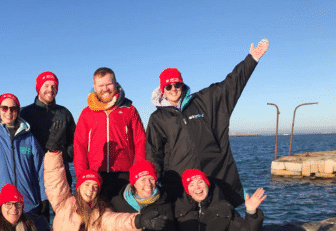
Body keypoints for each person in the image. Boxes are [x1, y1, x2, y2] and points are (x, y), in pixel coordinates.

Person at [145, 39, 270, 207]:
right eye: (168, 87)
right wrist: (154, 186)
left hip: (214, 175)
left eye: (177, 85)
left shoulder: (203, 101)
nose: (173, 89)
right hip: (179, 183)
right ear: (162, 90)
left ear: (182, 85)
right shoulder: (157, 118)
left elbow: (230, 85)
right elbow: (153, 154)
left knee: (219, 219)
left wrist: (251, 59)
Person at [0, 93, 49, 231]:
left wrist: (44, 197)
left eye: (13, 108)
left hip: (27, 204)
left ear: (18, 111)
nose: (9, 112)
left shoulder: (29, 138)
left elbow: (41, 170)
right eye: (5, 108)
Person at [73, 67, 146, 200]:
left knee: (123, 217)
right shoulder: (87, 113)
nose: (105, 88)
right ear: (94, 87)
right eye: (101, 85)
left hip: (124, 174)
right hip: (95, 176)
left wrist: (139, 173)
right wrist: (82, 177)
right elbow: (79, 146)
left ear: (115, 84)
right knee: (97, 218)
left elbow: (140, 141)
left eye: (109, 84)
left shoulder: (129, 109)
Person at [20, 71, 76, 198]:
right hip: (33, 173)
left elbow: (75, 141)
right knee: (38, 214)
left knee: (64, 212)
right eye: (46, 86)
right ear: (38, 88)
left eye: (54, 86)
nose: (50, 90)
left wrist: (63, 155)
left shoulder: (64, 113)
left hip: (60, 172)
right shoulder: (25, 113)